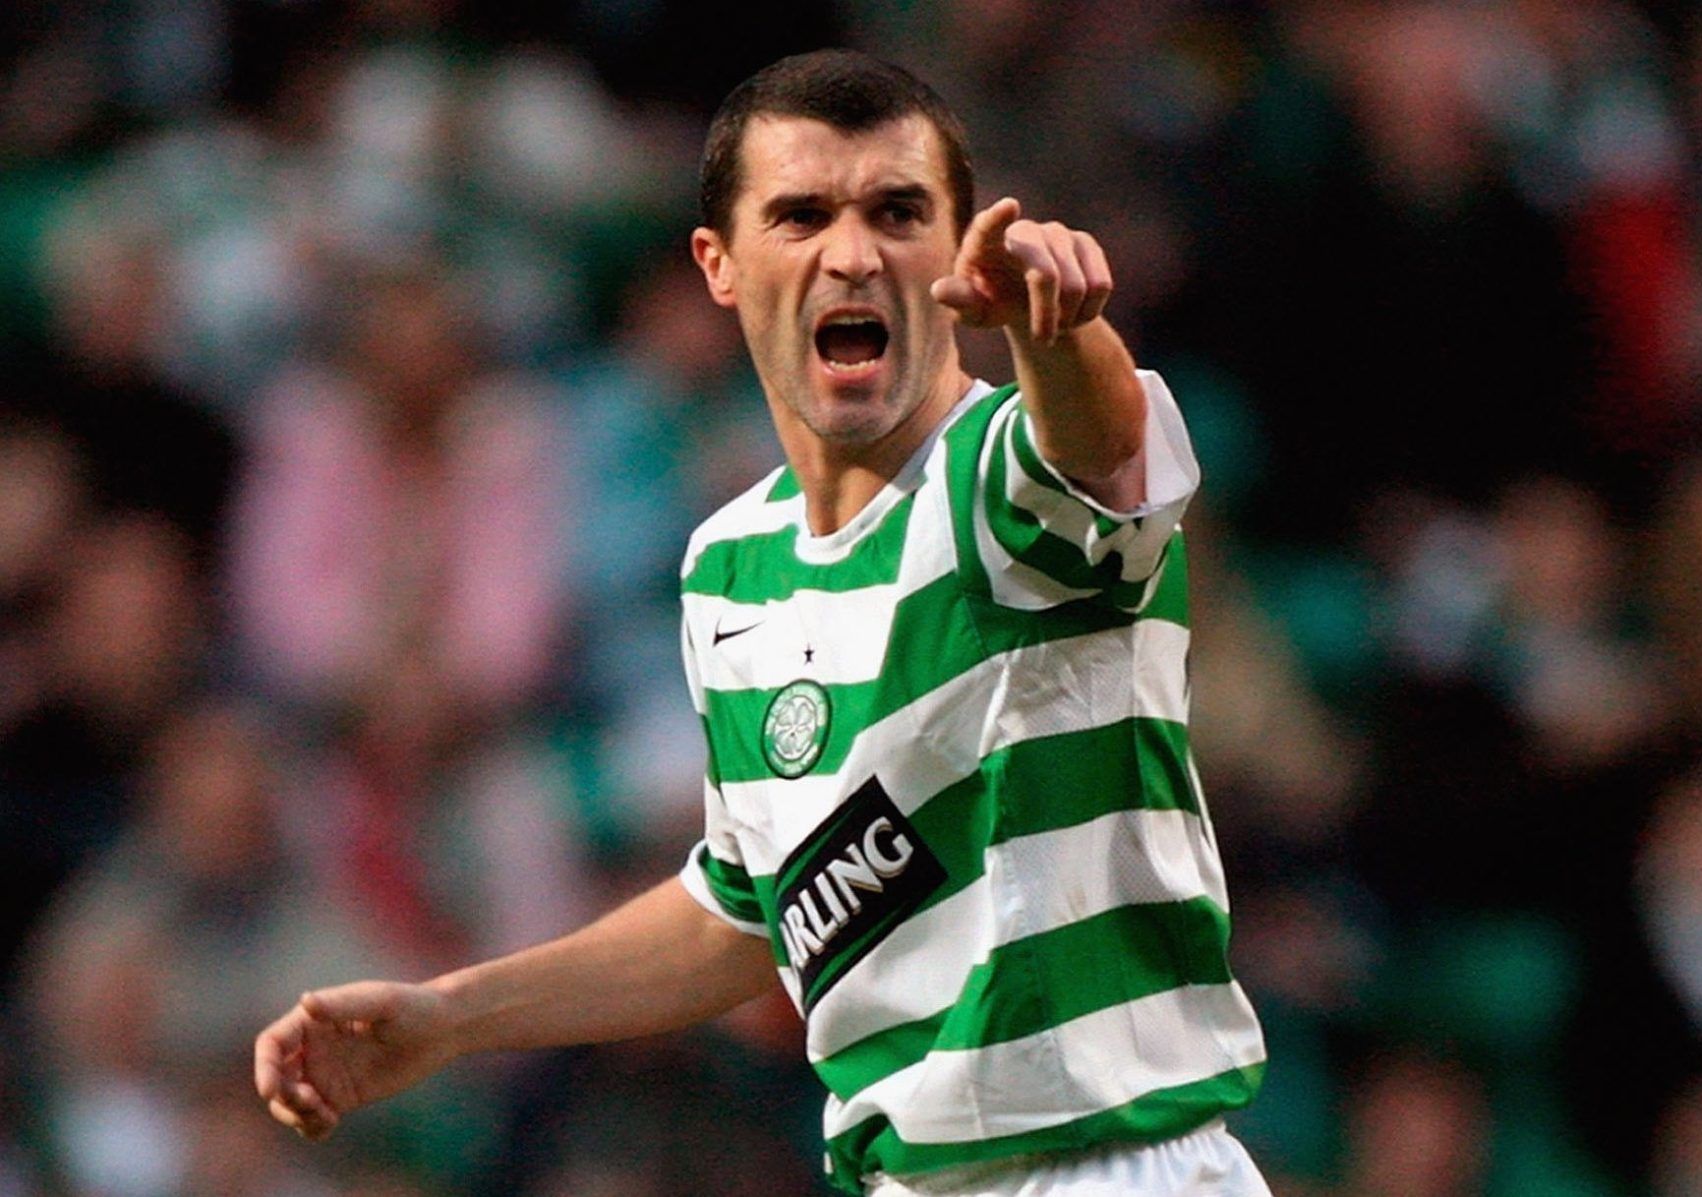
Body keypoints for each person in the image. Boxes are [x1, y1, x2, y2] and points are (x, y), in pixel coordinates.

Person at [254, 48, 1268, 1196]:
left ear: (956, 251)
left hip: (1112, 1169)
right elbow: (745, 911)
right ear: (719, 265)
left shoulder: (996, 476)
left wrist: (1057, 329)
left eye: (898, 213)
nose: (853, 253)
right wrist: (450, 1016)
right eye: (801, 215)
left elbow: (1094, 446)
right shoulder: (729, 568)